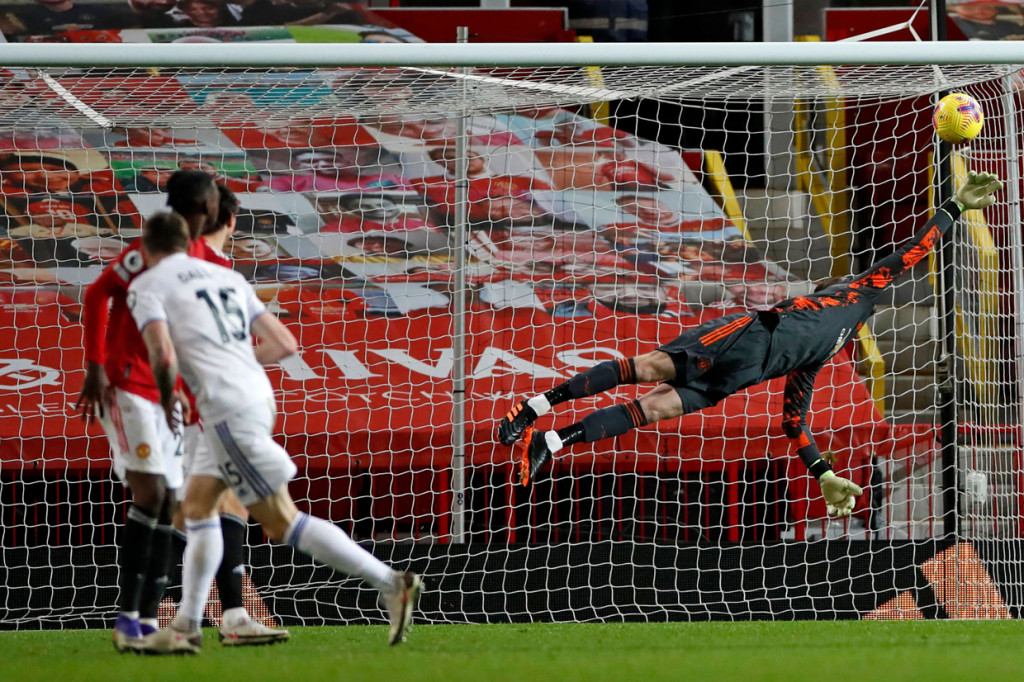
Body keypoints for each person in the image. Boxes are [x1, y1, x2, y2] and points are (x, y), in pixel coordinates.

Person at [497, 170, 1003, 518]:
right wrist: (955, 207)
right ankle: (532, 408)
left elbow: (793, 421)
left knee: (650, 410)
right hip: (745, 335)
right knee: (647, 370)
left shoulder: (827, 351)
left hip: (737, 378)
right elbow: (909, 254)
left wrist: (822, 472)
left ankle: (549, 442)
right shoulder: (852, 293)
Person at [129, 213, 422, 654]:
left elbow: (160, 350)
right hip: (252, 396)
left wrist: (170, 395)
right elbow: (284, 344)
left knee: (281, 519)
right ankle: (189, 624)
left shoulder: (150, 284)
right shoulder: (225, 275)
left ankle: (390, 581)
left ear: (146, 248)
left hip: (223, 407)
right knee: (197, 506)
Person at [74, 172, 279, 652]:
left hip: (176, 397)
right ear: (209, 208)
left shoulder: (209, 263)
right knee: (156, 496)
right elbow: (97, 294)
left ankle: (155, 622)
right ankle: (138, 621)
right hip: (132, 384)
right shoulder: (151, 253)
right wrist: (96, 365)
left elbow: (191, 341)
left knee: (174, 501)